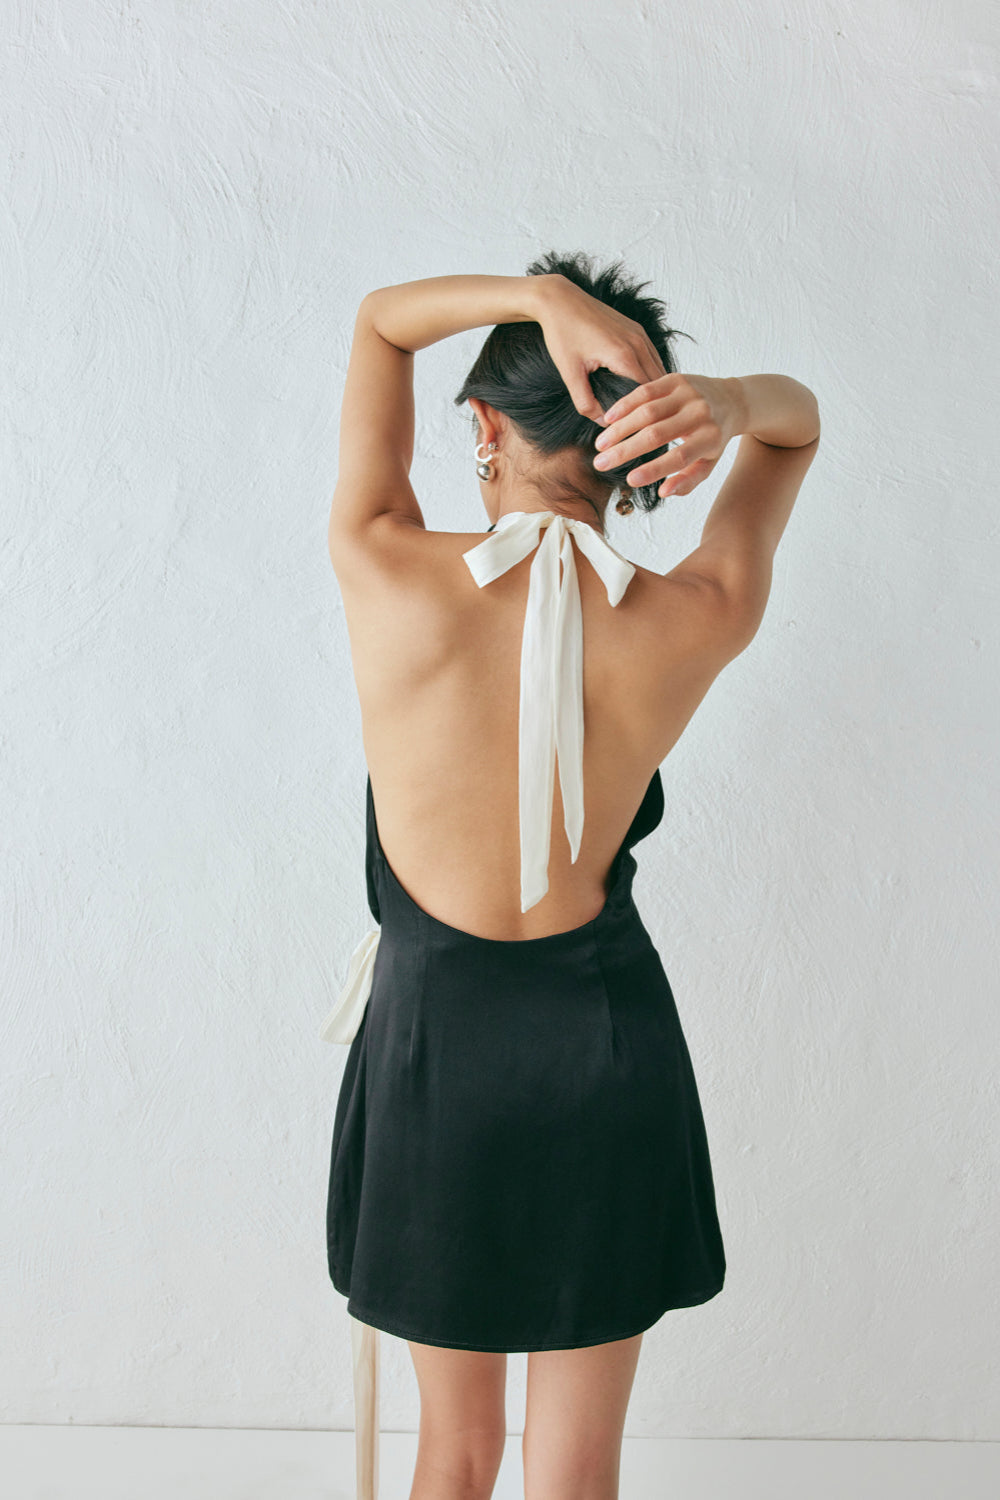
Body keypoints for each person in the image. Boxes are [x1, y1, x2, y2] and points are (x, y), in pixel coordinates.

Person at [321, 251, 821, 1500]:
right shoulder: (697, 609)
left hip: (434, 1056)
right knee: (577, 1470)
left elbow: (381, 325)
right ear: (639, 446)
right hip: (606, 1056)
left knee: (452, 1455)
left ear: (483, 427)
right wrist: (731, 406)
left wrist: (532, 298)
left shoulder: (386, 565)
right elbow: (796, 428)